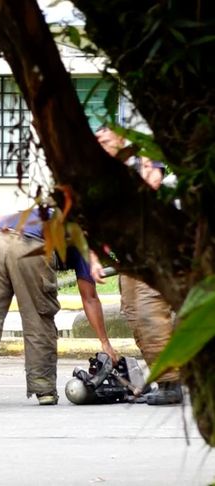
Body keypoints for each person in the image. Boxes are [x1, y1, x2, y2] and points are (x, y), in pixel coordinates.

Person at [0, 208, 118, 407]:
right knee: (39, 318)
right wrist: (105, 344)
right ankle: (44, 390)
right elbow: (90, 299)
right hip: (31, 248)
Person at [91, 127, 181, 405]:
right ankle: (162, 378)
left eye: (147, 168)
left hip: (153, 265)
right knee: (134, 317)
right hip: (129, 266)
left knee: (149, 315)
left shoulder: (166, 196)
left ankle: (171, 383)